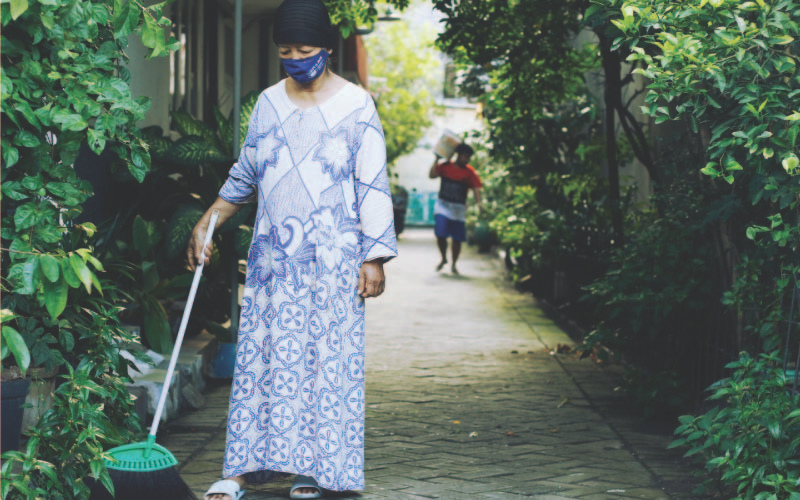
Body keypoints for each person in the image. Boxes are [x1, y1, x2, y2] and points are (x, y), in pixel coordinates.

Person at [188, 1, 397, 498]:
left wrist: (374, 257)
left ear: (327, 47)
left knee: (322, 364)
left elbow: (372, 183)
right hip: (272, 263)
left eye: (305, 50)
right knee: (262, 362)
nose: (296, 58)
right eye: (286, 51)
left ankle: (313, 470)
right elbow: (244, 176)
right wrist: (207, 223)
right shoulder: (268, 103)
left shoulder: (356, 105)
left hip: (333, 262)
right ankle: (240, 470)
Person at [428, 143, 482, 275]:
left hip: (459, 209)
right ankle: (443, 258)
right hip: (443, 206)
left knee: (457, 239)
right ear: (458, 155)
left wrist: (479, 203)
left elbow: (476, 188)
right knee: (440, 234)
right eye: (465, 156)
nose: (467, 159)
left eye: (469, 157)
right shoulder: (445, 166)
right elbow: (432, 175)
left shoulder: (469, 172)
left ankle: (454, 264)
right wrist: (436, 159)